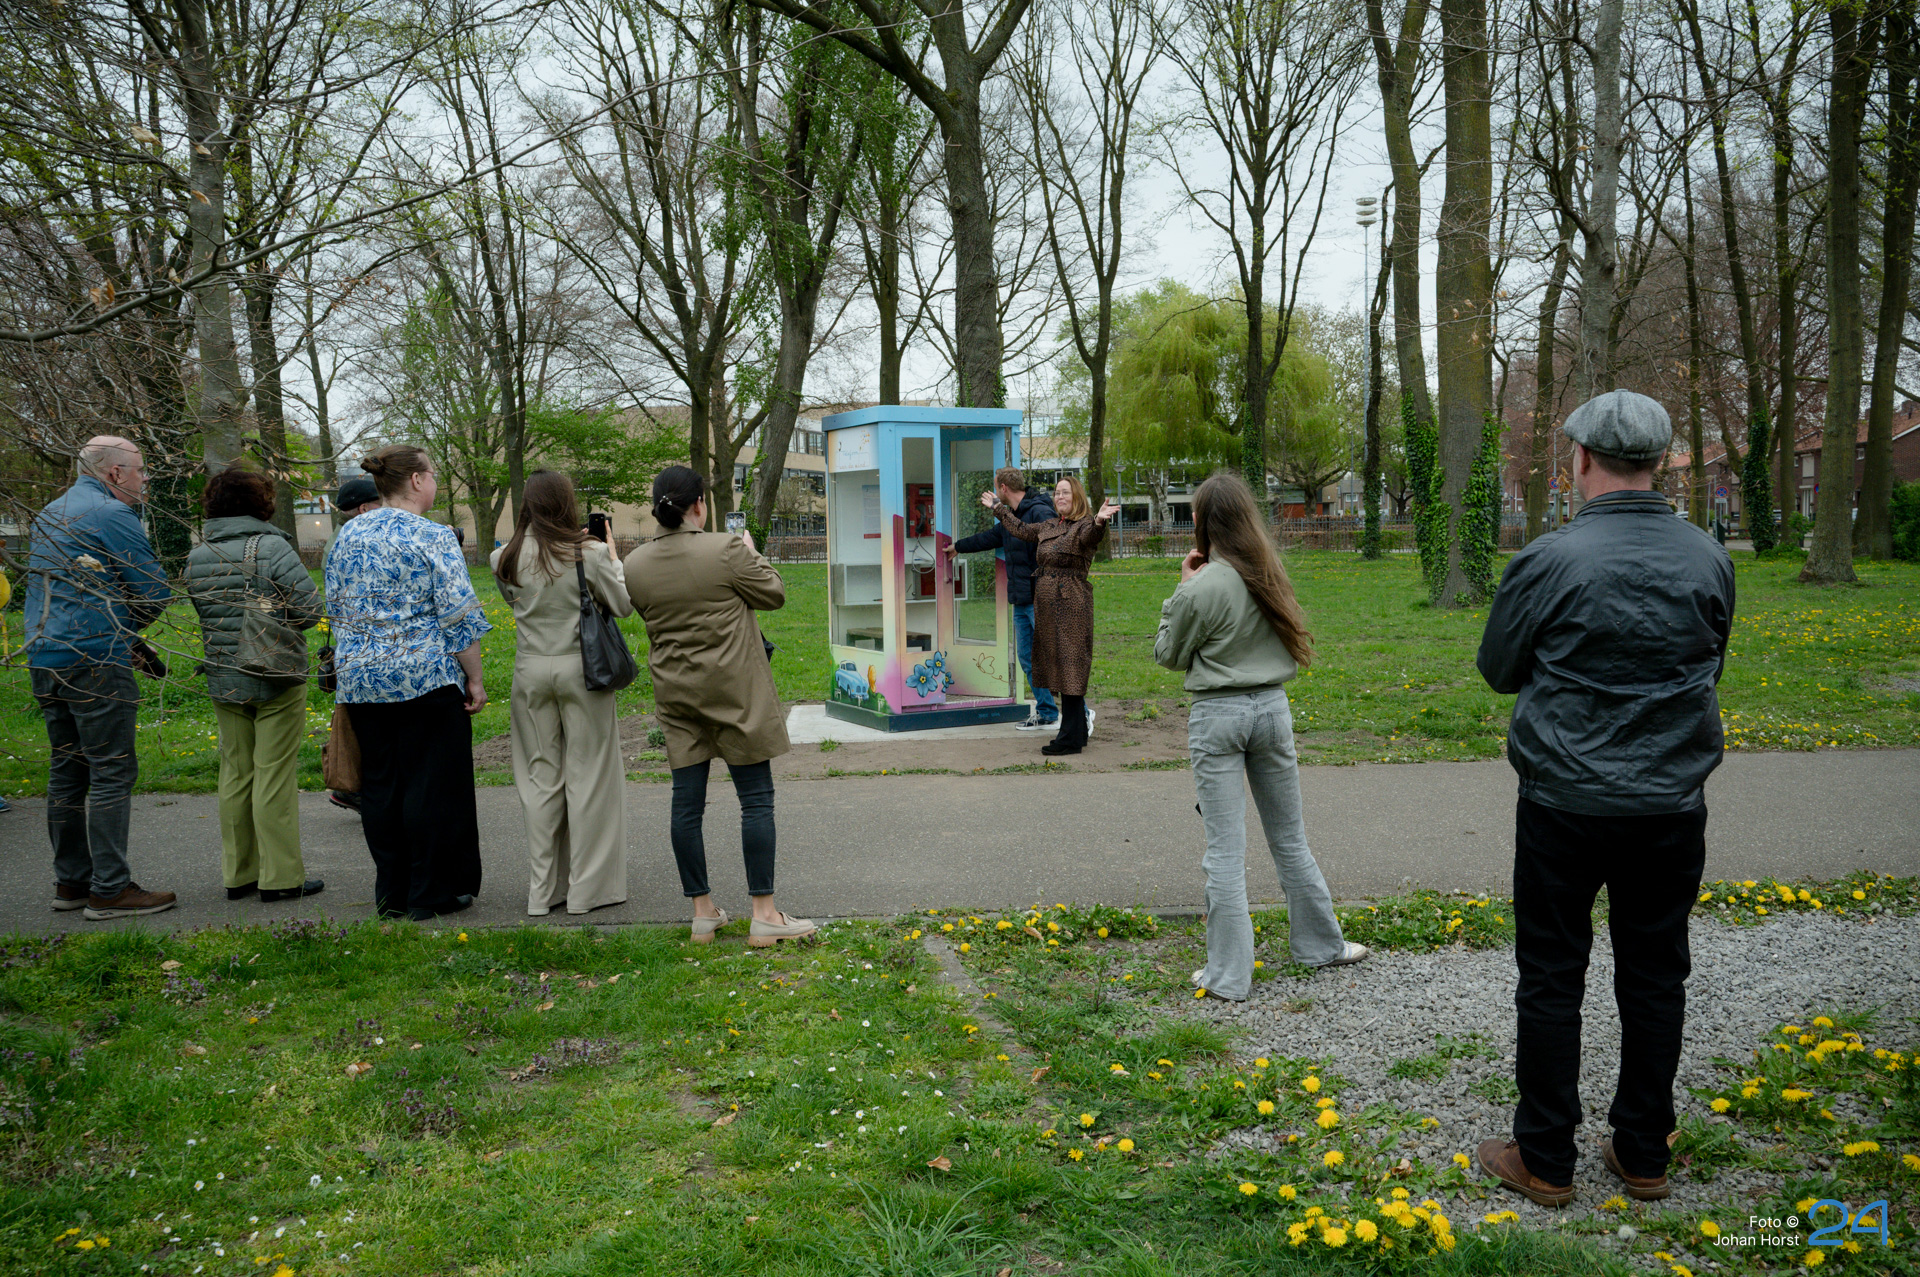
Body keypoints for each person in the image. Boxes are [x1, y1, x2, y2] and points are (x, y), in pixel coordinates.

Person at [1472, 389, 1735, 1208]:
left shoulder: (1548, 560)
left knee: (1552, 973)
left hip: (1563, 801)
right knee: (1657, 972)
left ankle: (1546, 1157)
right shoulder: (1708, 558)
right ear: (1657, 461)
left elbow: (1500, 669)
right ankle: (1643, 1149)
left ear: (1580, 458)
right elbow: (1709, 664)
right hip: (1668, 803)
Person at [1154, 472, 1368, 999]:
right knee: (1289, 838)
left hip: (1219, 717)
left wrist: (1181, 589)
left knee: (1225, 850)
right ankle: (1320, 945)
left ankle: (1229, 976)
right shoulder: (1269, 573)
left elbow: (1168, 654)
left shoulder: (1203, 586)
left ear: (1202, 522)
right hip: (1273, 709)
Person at [623, 466, 815, 947]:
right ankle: (764, 914)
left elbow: (648, 612)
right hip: (736, 693)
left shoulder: (635, 563)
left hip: (677, 692)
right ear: (699, 506)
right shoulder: (726, 550)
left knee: (686, 804)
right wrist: (751, 553)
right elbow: (774, 594)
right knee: (755, 800)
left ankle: (702, 912)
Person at [325, 445, 491, 921]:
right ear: (417, 481)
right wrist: (475, 679)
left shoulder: (346, 537)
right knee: (432, 786)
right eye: (433, 473)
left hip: (361, 680)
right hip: (425, 679)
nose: (435, 480)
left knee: (380, 787)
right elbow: (458, 618)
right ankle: (431, 891)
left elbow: (334, 607)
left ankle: (392, 893)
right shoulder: (434, 537)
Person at [24, 435, 176, 920]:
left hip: (45, 654)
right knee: (111, 770)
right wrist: (124, 634)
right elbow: (153, 592)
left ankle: (72, 881)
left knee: (67, 770)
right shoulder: (113, 515)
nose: (145, 479)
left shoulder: (48, 512)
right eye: (140, 470)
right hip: (94, 659)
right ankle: (110, 890)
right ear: (114, 474)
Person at [490, 471, 633, 917]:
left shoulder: (502, 557)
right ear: (565, 504)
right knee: (589, 778)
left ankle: (542, 891)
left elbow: (516, 602)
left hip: (530, 671)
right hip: (583, 672)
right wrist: (613, 556)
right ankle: (587, 892)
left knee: (539, 780)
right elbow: (623, 605)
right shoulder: (586, 553)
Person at [185, 468, 326, 904]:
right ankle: (281, 877)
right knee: (273, 775)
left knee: (235, 772)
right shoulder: (272, 546)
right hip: (275, 674)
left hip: (222, 675)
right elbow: (307, 612)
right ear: (260, 503)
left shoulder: (197, 555)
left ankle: (239, 873)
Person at [980, 474, 1117, 755]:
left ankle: (1069, 737)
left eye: (1066, 493)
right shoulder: (1049, 525)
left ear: (1077, 497)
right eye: (1057, 493)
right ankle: (1076, 733)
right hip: (1048, 606)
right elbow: (1019, 529)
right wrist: (998, 507)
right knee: (1058, 665)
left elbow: (1093, 535)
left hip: (1070, 605)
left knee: (1070, 666)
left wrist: (1101, 519)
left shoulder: (1085, 526)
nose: (1060, 497)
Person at [945, 468, 1057, 731]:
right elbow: (988, 538)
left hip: (1041, 599)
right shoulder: (1010, 518)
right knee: (1028, 660)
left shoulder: (1039, 511)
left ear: (1004, 488)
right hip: (1021, 601)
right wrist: (957, 546)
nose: (995, 492)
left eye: (996, 487)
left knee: (1055, 658)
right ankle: (1047, 712)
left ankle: (1081, 713)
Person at [324, 474, 380, 814]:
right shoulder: (349, 542)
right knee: (357, 729)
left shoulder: (339, 538)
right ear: (363, 508)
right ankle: (352, 787)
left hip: (352, 649)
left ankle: (355, 786)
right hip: (362, 649)